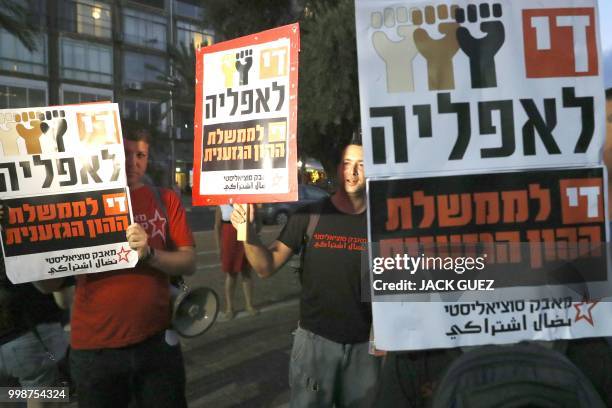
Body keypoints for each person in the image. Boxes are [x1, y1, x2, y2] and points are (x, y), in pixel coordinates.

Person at [36, 125, 196, 408]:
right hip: (95, 352)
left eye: (141, 155)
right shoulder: (82, 202)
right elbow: (50, 285)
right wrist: (32, 253)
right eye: (125, 154)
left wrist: (150, 255)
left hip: (156, 343)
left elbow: (189, 261)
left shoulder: (166, 199)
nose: (133, 163)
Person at [231, 139, 380, 407]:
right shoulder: (310, 214)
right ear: (337, 170)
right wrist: (248, 234)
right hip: (314, 345)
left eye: (361, 164)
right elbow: (266, 266)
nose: (353, 171)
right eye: (347, 164)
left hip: (365, 348)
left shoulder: (383, 221)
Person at [215, 204, 258, 320]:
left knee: (247, 273)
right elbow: (217, 227)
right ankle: (229, 308)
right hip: (229, 240)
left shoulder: (247, 203)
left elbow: (257, 222)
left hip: (245, 237)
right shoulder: (222, 205)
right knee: (231, 274)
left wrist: (254, 238)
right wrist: (219, 247)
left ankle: (249, 305)